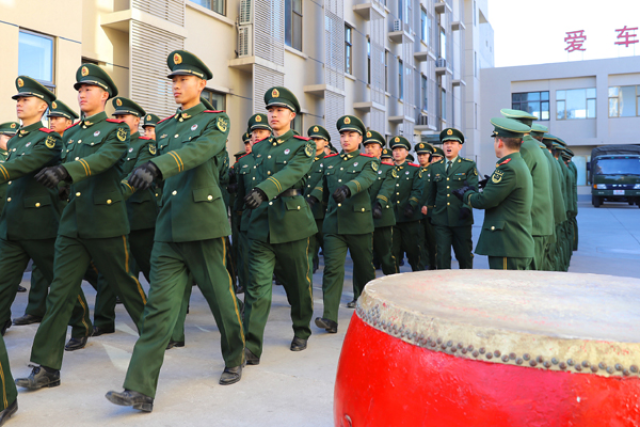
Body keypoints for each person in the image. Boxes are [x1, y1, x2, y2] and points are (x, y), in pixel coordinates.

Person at [106, 50, 245, 412]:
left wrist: (158, 164)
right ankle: (139, 388)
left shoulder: (216, 120)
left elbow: (202, 150)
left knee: (220, 298)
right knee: (157, 311)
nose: (177, 86)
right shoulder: (165, 127)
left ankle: (235, 354)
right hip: (168, 227)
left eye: (184, 80)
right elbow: (143, 174)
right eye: (173, 80)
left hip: (202, 223)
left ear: (201, 83)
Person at [16, 64, 148, 390]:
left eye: (89, 88)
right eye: (79, 89)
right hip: (72, 223)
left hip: (105, 222)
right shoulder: (71, 133)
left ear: (105, 95)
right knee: (59, 292)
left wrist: (66, 171)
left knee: (127, 287)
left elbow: (104, 160)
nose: (82, 93)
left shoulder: (116, 130)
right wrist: (58, 182)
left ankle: (157, 338)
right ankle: (46, 367)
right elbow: (62, 170)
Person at [241, 86, 316, 363]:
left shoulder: (303, 146)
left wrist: (264, 190)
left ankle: (301, 329)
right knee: (257, 289)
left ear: (292, 115)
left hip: (292, 223)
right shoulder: (259, 147)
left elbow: (292, 173)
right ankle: (251, 346)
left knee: (297, 284)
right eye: (270, 110)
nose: (273, 115)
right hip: (261, 225)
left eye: (279, 110)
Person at [311, 116, 379, 332]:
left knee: (364, 269)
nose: (346, 138)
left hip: (358, 223)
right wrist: (312, 197)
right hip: (334, 224)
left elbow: (366, 179)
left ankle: (372, 312)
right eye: (343, 134)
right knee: (331, 269)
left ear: (360, 138)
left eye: (351, 134)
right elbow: (322, 186)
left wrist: (349, 188)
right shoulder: (329, 162)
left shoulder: (369, 161)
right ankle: (330, 318)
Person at [454, 118, 534, 270]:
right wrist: (491, 184)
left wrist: (466, 194)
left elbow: (484, 200)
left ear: (500, 142)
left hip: (507, 244)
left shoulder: (508, 168)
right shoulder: (517, 164)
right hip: (512, 243)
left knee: (506, 291)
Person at [499, 109, 553, 271]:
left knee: (526, 282)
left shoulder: (524, 149)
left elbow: (515, 182)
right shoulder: (534, 146)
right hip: (537, 223)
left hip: (531, 225)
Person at [426, 128, 478, 270]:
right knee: (442, 256)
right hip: (441, 219)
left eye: (452, 143)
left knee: (464, 255)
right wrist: (431, 213)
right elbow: (432, 192)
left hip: (461, 217)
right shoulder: (435, 167)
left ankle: (466, 286)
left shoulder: (468, 165)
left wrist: (467, 208)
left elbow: (472, 189)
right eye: (446, 143)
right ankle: (443, 287)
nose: (448, 146)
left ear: (459, 146)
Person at [363, 130, 397, 276]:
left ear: (380, 150)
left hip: (381, 216)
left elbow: (387, 188)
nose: (370, 149)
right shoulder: (358, 167)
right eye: (367, 146)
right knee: (365, 257)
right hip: (362, 217)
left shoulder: (387, 169)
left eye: (373, 146)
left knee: (386, 255)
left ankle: (394, 284)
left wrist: (379, 204)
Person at [389, 136, 423, 271]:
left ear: (407, 152)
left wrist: (411, 205)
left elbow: (417, 190)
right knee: (393, 251)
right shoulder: (387, 169)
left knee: (413, 250)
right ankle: (394, 278)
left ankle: (417, 275)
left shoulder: (414, 170)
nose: (397, 152)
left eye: (400, 149)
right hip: (392, 217)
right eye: (395, 150)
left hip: (410, 218)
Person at [305, 125, 329, 273]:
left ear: (325, 142)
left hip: (322, 211)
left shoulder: (329, 161)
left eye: (318, 139)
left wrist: (314, 197)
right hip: (306, 210)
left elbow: (324, 181)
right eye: (312, 139)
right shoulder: (304, 161)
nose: (314, 142)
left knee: (328, 247)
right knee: (309, 248)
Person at [415, 143, 436, 270]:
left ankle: (434, 264)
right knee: (419, 242)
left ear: (430, 156)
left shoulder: (435, 171)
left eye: (424, 154)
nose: (421, 157)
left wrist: (430, 206)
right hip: (416, 213)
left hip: (431, 213)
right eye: (419, 155)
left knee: (433, 241)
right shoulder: (415, 171)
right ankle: (422, 266)